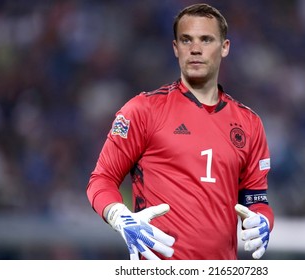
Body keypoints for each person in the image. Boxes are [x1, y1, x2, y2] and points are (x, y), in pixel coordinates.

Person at [86, 3, 274, 260]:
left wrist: (264, 222)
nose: (195, 49)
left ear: (225, 47)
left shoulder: (249, 124)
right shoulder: (143, 110)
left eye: (206, 40)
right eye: (186, 40)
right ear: (176, 48)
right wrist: (119, 215)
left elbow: (256, 201)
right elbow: (101, 179)